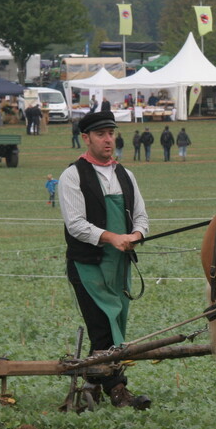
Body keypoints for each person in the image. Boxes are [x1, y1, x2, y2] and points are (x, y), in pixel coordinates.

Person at [59, 111, 151, 409]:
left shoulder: (126, 175)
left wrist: (136, 234)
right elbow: (75, 225)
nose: (108, 139)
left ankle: (90, 384)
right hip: (87, 265)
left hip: (119, 265)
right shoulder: (72, 175)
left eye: (111, 133)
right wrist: (113, 237)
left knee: (115, 322)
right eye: (101, 134)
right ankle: (119, 391)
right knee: (103, 325)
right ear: (86, 138)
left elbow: (141, 218)